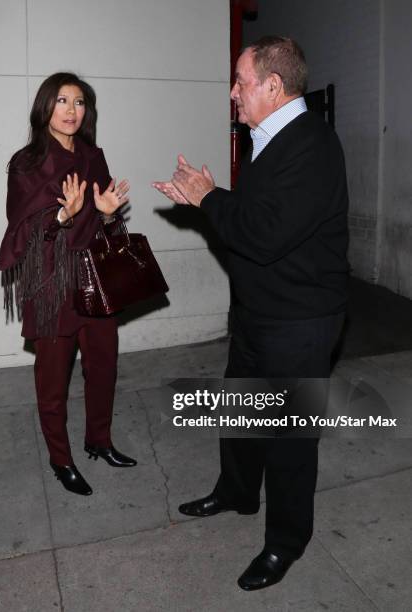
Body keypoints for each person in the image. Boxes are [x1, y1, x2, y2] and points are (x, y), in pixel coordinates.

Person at [153, 36, 348, 590]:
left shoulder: (311, 145)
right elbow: (258, 217)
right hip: (261, 312)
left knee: (289, 435)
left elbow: (263, 235)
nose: (233, 93)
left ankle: (286, 542)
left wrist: (209, 199)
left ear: (273, 86)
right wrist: (209, 200)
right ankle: (236, 492)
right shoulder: (269, 138)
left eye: (241, 82)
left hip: (301, 320)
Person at [0, 72, 137, 497]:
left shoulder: (94, 157)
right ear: (45, 107)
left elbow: (105, 222)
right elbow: (20, 231)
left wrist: (111, 213)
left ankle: (99, 440)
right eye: (62, 101)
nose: (71, 111)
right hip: (50, 283)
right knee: (53, 380)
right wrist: (61, 216)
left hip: (94, 277)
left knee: (104, 368)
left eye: (79, 103)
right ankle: (61, 459)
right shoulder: (26, 163)